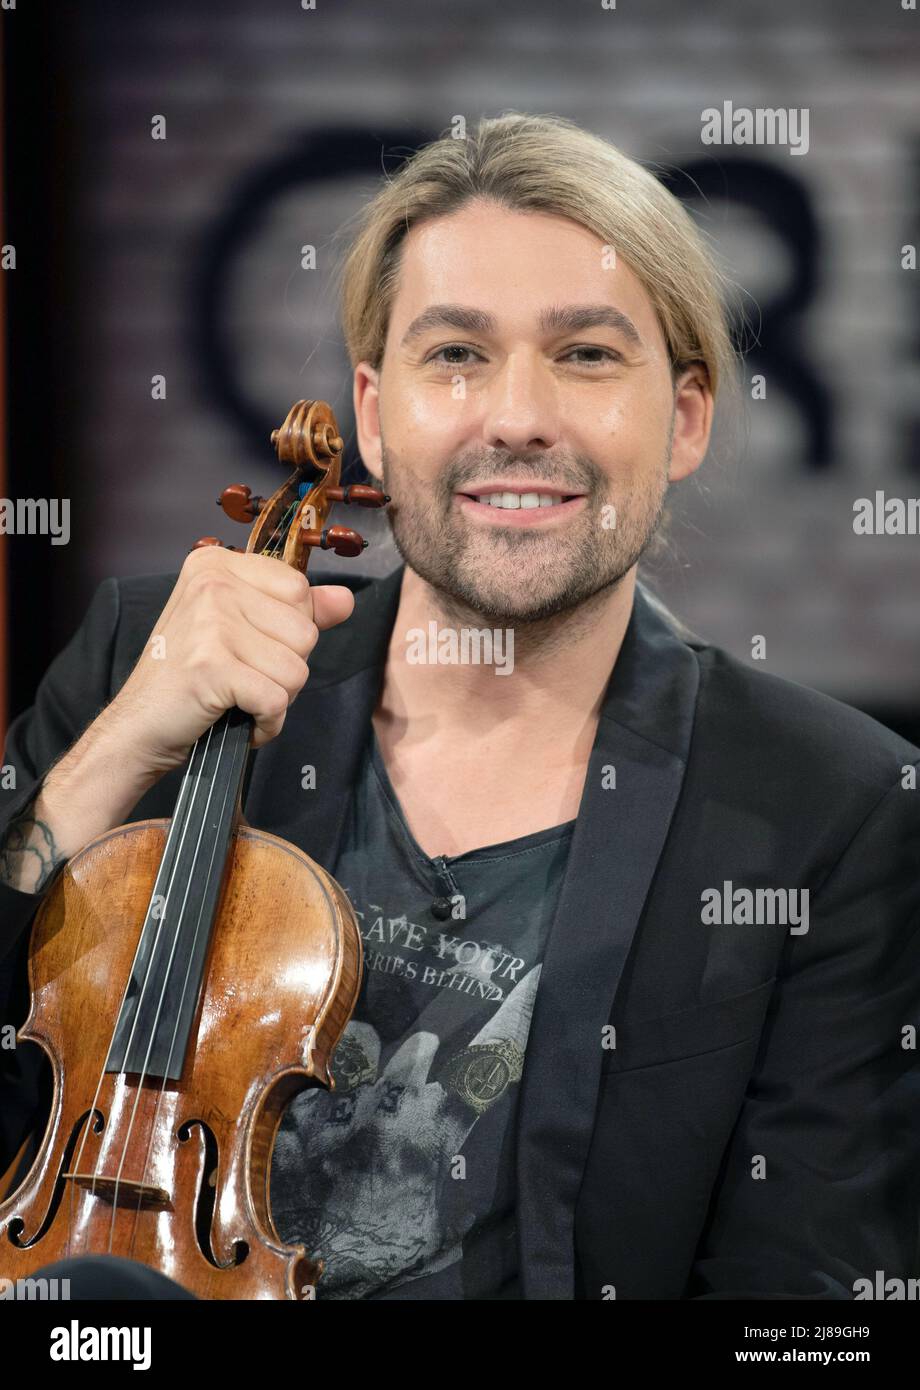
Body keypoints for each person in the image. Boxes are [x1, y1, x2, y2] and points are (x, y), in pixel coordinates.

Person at [1, 113, 918, 1301]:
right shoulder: (149, 660)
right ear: (373, 412)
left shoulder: (828, 811)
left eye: (586, 354)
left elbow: (805, 1306)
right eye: (456, 355)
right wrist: (110, 754)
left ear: (683, 419)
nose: (515, 415)